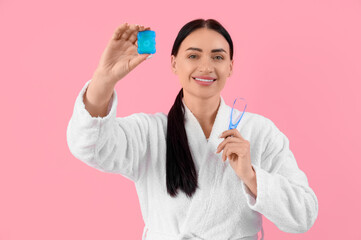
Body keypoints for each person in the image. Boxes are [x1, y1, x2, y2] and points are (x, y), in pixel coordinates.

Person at [67, 19, 318, 240]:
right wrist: (104, 79)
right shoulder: (150, 133)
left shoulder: (260, 132)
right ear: (174, 63)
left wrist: (251, 176)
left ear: (231, 66)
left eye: (218, 57)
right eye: (193, 55)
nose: (206, 67)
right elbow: (89, 146)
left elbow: (304, 214)